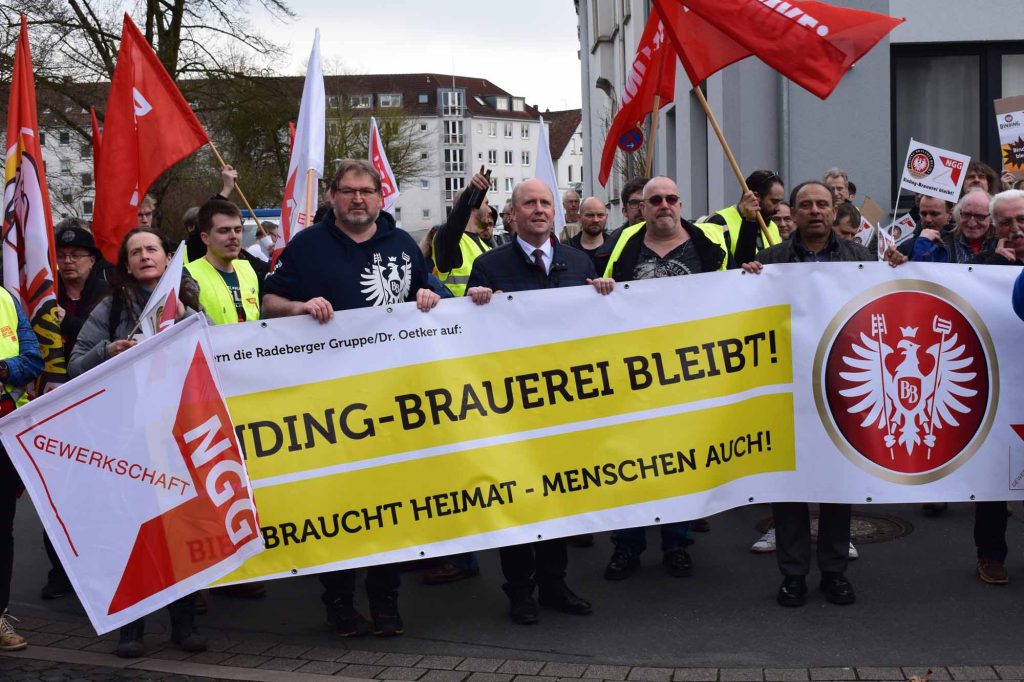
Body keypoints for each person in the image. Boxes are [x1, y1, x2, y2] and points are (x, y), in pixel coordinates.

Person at [262, 159, 440, 637]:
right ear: (332, 197)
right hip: (331, 406)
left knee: (390, 504)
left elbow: (428, 288)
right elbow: (268, 303)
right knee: (338, 507)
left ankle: (385, 604)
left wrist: (429, 296)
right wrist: (299, 307)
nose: (358, 199)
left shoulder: (402, 244)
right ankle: (339, 604)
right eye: (348, 191)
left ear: (381, 197)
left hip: (393, 404)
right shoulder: (307, 246)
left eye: (366, 191)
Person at [742, 180, 906, 608]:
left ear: (834, 211)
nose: (815, 211)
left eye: (822, 204)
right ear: (791, 214)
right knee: (789, 485)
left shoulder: (860, 258)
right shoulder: (770, 260)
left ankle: (834, 572)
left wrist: (899, 269)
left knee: (837, 482)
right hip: (786, 389)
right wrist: (746, 281)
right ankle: (793, 574)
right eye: (805, 205)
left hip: (840, 388)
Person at [464, 178, 607, 625]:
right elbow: (471, 337)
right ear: (513, 214)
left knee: (558, 500)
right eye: (530, 203)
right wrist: (473, 302)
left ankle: (554, 583)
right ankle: (520, 591)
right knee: (518, 501)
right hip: (512, 410)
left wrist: (605, 297)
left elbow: (597, 333)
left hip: (565, 408)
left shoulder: (578, 261)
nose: (540, 210)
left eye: (546, 203)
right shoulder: (489, 266)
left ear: (555, 213)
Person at [68, 227, 204, 657]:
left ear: (167, 258)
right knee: (131, 532)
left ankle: (184, 625)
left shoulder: (187, 306)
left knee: (178, 527)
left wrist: (184, 316)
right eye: (136, 252)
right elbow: (74, 366)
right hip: (124, 437)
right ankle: (131, 628)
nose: (145, 256)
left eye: (152, 249)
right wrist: (107, 352)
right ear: (126, 265)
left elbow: (215, 351)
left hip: (174, 433)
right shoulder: (109, 309)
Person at [599, 177, 727, 581]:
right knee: (632, 463)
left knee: (681, 463)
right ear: (643, 207)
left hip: (690, 375)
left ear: (680, 202)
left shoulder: (708, 247)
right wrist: (602, 288)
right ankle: (628, 545)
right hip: (634, 377)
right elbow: (604, 293)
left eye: (671, 198)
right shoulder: (626, 245)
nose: (663, 205)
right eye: (655, 200)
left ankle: (677, 543)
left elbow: (731, 295)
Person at [43, 223, 111, 600]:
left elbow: (97, 335)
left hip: (96, 404)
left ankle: (96, 569)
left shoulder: (106, 294)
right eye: (62, 256)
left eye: (76, 256)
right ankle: (60, 573)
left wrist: (63, 321)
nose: (68, 262)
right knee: (56, 490)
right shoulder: (41, 293)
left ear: (92, 260)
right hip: (52, 404)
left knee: (97, 491)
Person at [972, 189, 1024, 584]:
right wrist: (988, 264)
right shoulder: (979, 267)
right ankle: (990, 554)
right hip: (997, 390)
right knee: (993, 477)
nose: (1016, 229)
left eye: (1021, 219)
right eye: (1005, 222)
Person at [0, 287, 44, 652]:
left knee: (2, 530)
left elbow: (33, 360)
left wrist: (3, 368)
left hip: (3, 434)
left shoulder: (7, 300)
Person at [185, 199, 260, 325]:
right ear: (205, 238)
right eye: (224, 231)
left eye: (237, 230)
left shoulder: (248, 269)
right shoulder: (187, 275)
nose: (233, 236)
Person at [432, 168, 493, 297]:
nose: (490, 210)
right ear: (474, 203)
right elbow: (455, 224)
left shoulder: (485, 245)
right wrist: (470, 192)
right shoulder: (448, 239)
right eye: (486, 203)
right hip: (458, 315)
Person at [704, 169, 784, 266]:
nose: (778, 208)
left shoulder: (773, 226)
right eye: (774, 201)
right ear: (755, 197)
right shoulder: (718, 222)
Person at [912, 189, 997, 264]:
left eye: (979, 216)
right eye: (966, 215)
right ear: (958, 214)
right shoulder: (940, 244)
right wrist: (923, 243)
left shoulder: (1002, 245)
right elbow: (920, 276)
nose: (972, 223)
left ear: (992, 217)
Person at [568, 197, 609, 266]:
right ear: (579, 217)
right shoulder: (567, 248)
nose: (595, 220)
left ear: (606, 217)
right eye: (590, 215)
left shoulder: (615, 247)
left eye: (600, 215)